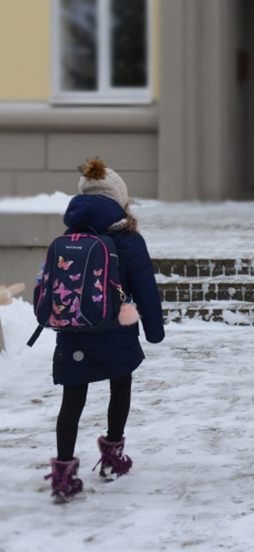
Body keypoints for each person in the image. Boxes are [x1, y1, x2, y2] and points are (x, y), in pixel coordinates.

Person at [43, 159, 164, 502]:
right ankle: (112, 458)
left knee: (72, 398)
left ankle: (63, 476)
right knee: (120, 384)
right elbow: (145, 289)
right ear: (118, 199)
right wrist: (154, 332)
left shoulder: (69, 236)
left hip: (73, 331)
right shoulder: (127, 239)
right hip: (117, 331)